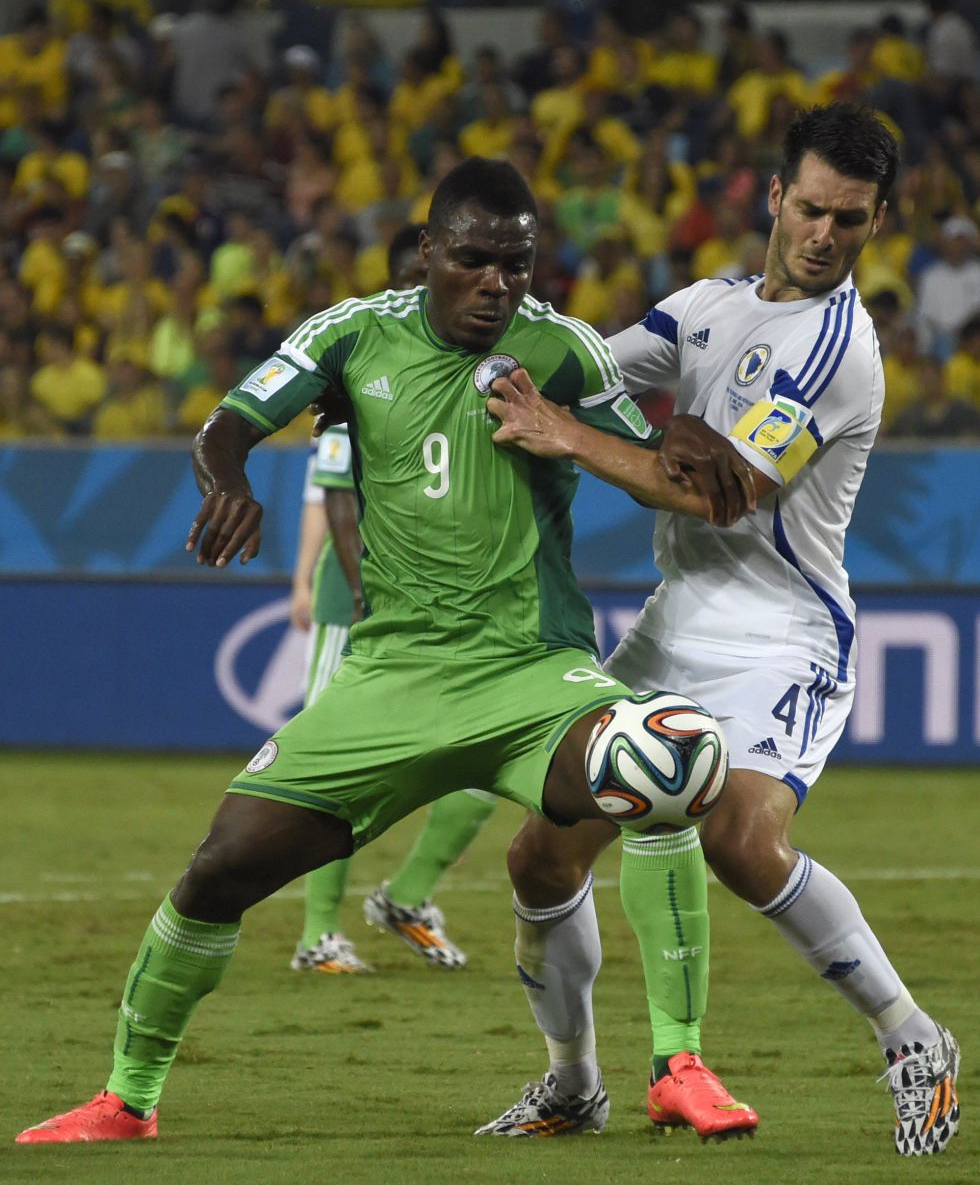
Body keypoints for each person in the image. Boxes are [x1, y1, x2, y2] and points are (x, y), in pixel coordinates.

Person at [15, 157, 754, 1145]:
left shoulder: (565, 351)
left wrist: (646, 443)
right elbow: (227, 424)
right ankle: (126, 1100)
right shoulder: (352, 333)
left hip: (531, 676)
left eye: (516, 264)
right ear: (428, 252)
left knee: (671, 757)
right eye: (474, 259)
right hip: (391, 680)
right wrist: (226, 479)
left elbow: (665, 478)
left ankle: (677, 1065)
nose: (497, 283)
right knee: (218, 871)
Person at [478, 105, 960, 1158]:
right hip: (674, 622)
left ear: (878, 222)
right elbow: (581, 369)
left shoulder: (837, 348)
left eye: (850, 219)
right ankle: (574, 1083)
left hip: (782, 634)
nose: (824, 235)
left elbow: (722, 493)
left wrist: (563, 435)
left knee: (741, 839)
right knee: (540, 860)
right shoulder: (702, 307)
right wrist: (465, 375)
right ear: (775, 195)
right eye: (812, 208)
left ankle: (912, 1037)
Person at [289, 224, 495, 974]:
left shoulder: (472, 370)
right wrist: (363, 591)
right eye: (416, 278)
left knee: (482, 771)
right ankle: (318, 935)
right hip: (360, 606)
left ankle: (406, 898)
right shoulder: (357, 370)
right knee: (335, 771)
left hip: (450, 606)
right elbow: (336, 495)